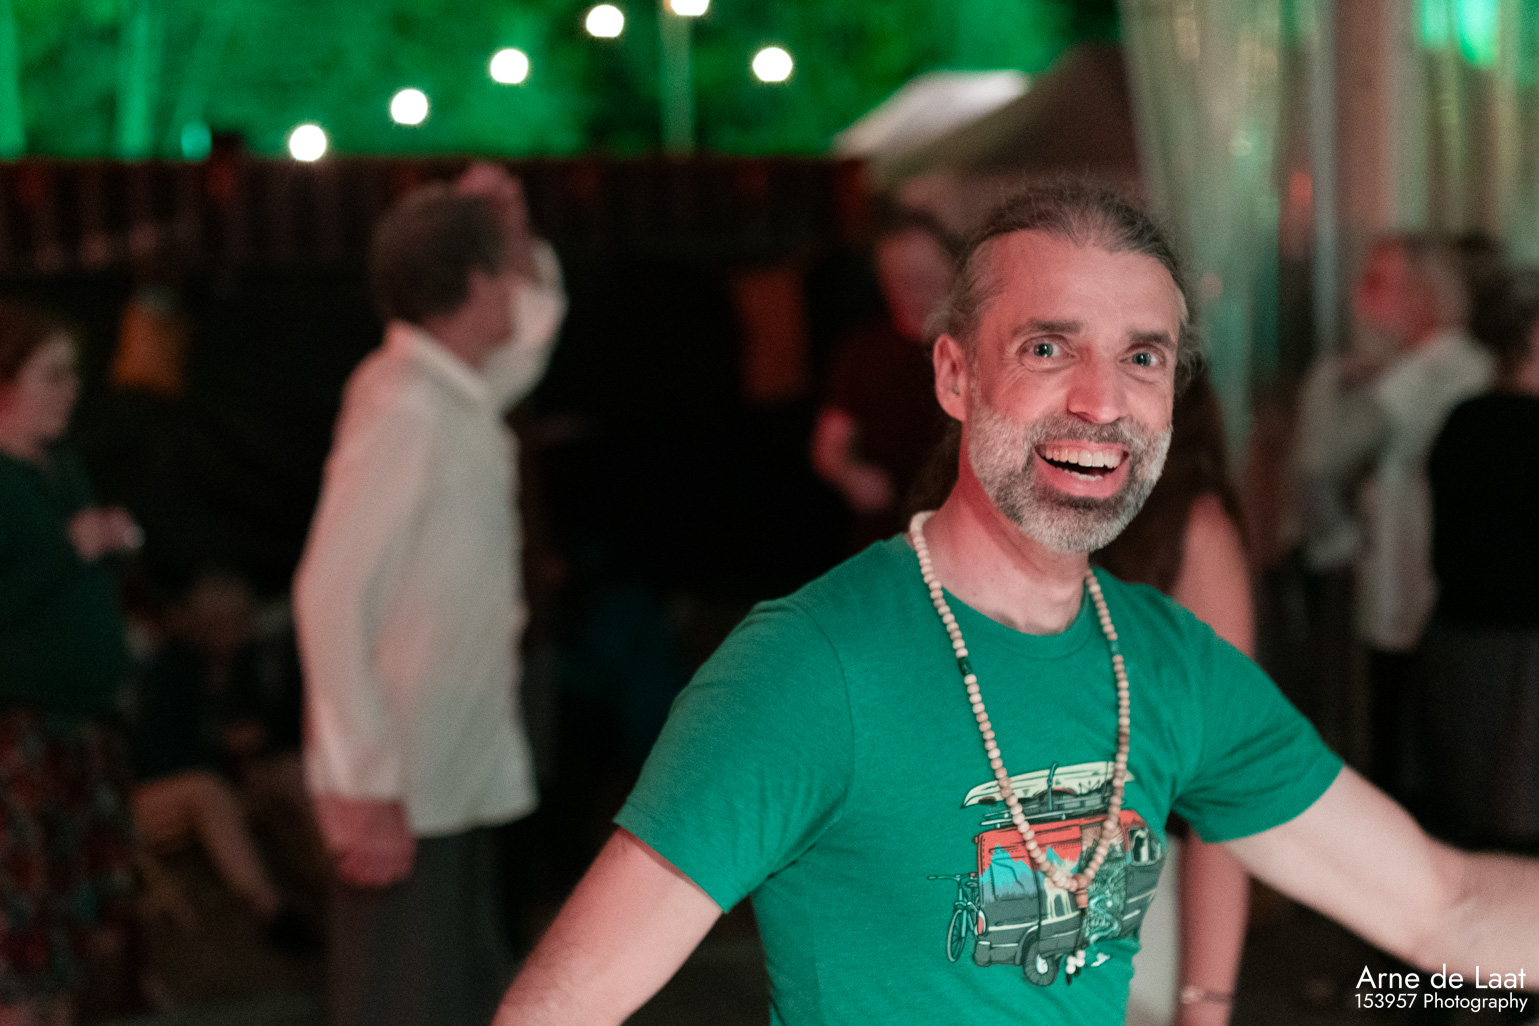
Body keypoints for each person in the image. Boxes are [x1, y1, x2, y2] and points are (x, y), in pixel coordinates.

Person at [494, 181, 1539, 1026]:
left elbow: (1446, 908)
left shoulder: (1168, 664)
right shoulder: (811, 667)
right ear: (955, 376)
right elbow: (561, 1007)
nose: (1101, 401)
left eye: (1141, 358)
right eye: (1048, 348)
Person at [294, 185, 539, 1026]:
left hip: (442, 777)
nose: (516, 291)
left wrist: (513, 231)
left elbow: (530, 340)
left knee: (453, 998)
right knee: (401, 1004)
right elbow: (328, 594)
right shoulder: (405, 404)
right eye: (505, 273)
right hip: (403, 787)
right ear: (475, 286)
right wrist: (359, 783)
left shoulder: (447, 390)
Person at [1293, 234, 1493, 796]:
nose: (1362, 299)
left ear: (1424, 294)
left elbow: (1318, 461)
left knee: (1400, 740)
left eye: (1380, 284)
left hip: (1406, 578)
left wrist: (1338, 541)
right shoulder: (1466, 366)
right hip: (1449, 584)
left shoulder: (1424, 374)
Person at [0, 303, 140, 1026]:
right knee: (21, 940)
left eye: (72, 374)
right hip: (18, 741)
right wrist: (68, 549)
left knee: (75, 932)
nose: (70, 389)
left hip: (82, 732)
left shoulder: (63, 470)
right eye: (51, 375)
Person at [129, 570, 315, 950]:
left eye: (241, 621)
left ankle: (340, 875)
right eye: (226, 623)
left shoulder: (246, 667)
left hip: (236, 777)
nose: (237, 632)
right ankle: (272, 910)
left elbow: (279, 724)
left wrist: (259, 736)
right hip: (176, 787)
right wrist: (218, 744)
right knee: (208, 792)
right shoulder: (168, 674)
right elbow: (154, 754)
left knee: (289, 771)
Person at [1418, 267, 1539, 849]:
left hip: (1460, 639)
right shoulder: (1501, 426)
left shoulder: (1463, 422)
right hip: (1520, 651)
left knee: (1470, 824)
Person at [812, 206, 955, 547]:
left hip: (966, 534)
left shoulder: (981, 346)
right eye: (900, 279)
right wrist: (851, 476)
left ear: (950, 270)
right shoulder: (860, 352)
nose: (913, 290)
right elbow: (829, 446)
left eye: (922, 277)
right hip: (890, 538)